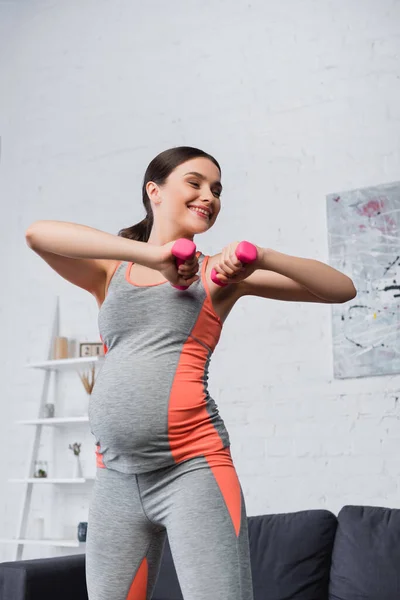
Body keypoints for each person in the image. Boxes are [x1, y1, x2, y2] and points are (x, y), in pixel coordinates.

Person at [25, 146, 356, 600]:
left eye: (217, 190)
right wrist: (153, 256)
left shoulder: (217, 274)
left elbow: (341, 290)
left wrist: (263, 256)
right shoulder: (111, 269)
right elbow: (38, 234)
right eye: (196, 182)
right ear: (154, 191)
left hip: (192, 471)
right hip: (115, 477)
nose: (210, 196)